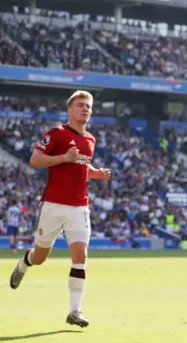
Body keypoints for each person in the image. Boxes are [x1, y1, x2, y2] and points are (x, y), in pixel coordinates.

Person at [9, 91, 111, 328]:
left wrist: (98, 173)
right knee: (40, 257)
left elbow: (82, 168)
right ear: (70, 109)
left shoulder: (91, 140)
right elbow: (35, 160)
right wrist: (64, 157)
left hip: (79, 206)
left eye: (88, 106)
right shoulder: (57, 133)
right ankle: (26, 261)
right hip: (53, 205)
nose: (85, 109)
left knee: (80, 257)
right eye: (80, 105)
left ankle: (75, 311)